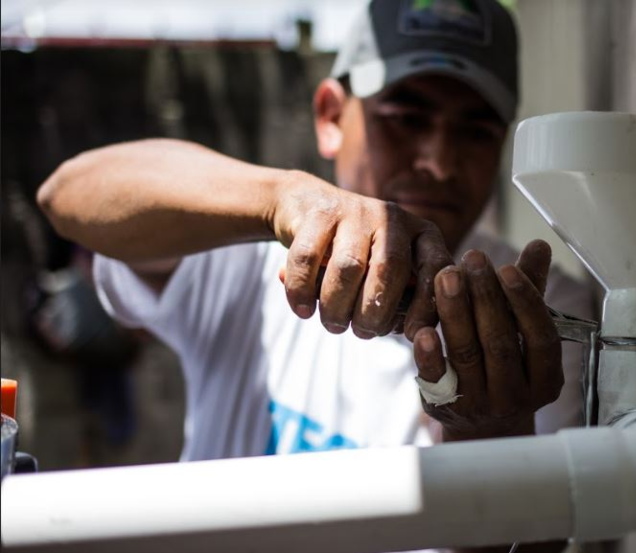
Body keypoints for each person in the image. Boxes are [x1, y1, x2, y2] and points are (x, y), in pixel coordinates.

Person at [38, 0, 592, 468]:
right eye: (405, 118)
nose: (440, 162)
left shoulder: (535, 305)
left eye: (475, 131)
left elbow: (538, 542)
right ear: (331, 116)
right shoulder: (248, 262)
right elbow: (68, 194)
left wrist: (490, 437)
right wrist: (280, 199)